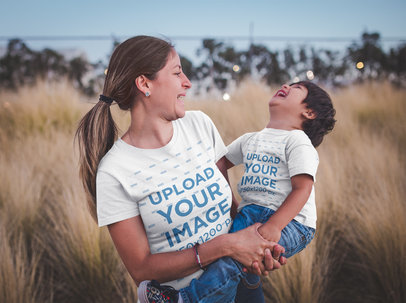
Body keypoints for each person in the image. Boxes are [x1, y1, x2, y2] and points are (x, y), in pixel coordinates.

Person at [75, 35, 285, 303]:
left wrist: (260, 249)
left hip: (242, 280)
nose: (188, 82)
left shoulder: (200, 124)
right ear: (144, 83)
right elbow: (141, 269)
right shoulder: (114, 171)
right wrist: (224, 247)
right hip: (187, 297)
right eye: (177, 72)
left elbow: (232, 210)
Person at [137, 81, 336, 303]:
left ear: (309, 112)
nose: (285, 85)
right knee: (228, 254)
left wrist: (274, 226)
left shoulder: (298, 141)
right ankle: (247, 279)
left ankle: (184, 299)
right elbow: (220, 163)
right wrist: (230, 203)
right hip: (250, 213)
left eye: (296, 88)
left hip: (293, 222)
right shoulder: (251, 139)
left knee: (232, 261)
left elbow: (303, 189)